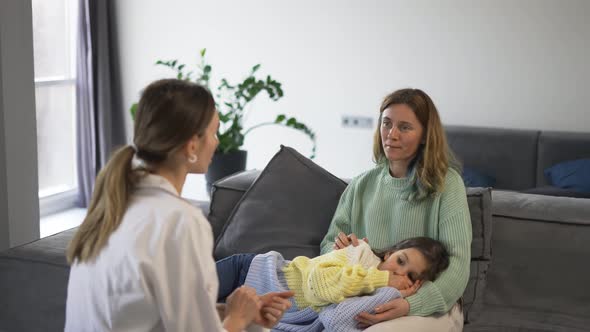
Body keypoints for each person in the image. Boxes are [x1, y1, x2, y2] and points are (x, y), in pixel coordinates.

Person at [64, 79, 292, 332]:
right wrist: (238, 319)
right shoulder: (180, 221)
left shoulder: (112, 207)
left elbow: (154, 314)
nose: (216, 142)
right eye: (214, 132)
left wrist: (236, 313)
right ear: (192, 145)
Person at [319, 88, 472, 331]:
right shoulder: (361, 184)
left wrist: (410, 304)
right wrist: (342, 250)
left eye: (404, 127)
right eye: (386, 124)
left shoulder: (447, 184)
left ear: (424, 135)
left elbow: (459, 265)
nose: (391, 134)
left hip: (431, 305)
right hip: (365, 293)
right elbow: (328, 245)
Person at [215, 237, 450, 331]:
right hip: (249, 271)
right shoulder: (357, 253)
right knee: (182, 292)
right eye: (400, 261)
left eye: (409, 276)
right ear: (389, 254)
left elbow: (335, 319)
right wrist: (383, 279)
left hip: (255, 308)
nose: (399, 273)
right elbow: (318, 287)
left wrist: (389, 290)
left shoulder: (386, 296)